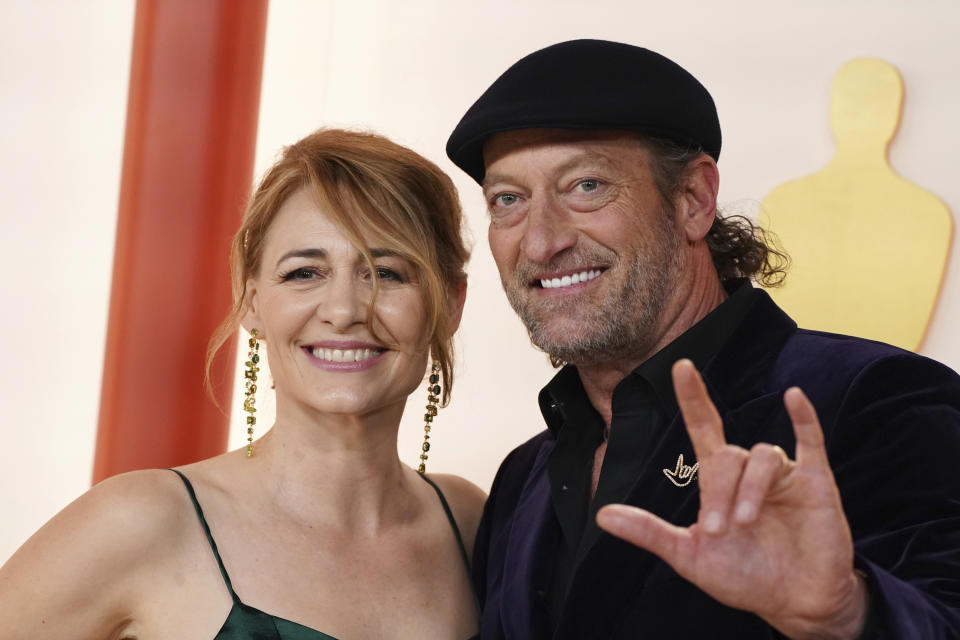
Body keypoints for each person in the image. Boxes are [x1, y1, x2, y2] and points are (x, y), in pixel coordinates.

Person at [445, 39, 960, 638]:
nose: (540, 242)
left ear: (694, 200)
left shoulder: (876, 400)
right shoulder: (521, 477)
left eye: (585, 185)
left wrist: (850, 613)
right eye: (508, 199)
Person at [0, 128, 485, 639]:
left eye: (387, 273)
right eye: (304, 273)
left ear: (449, 305)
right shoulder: (141, 522)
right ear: (252, 303)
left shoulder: (473, 523)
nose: (343, 311)